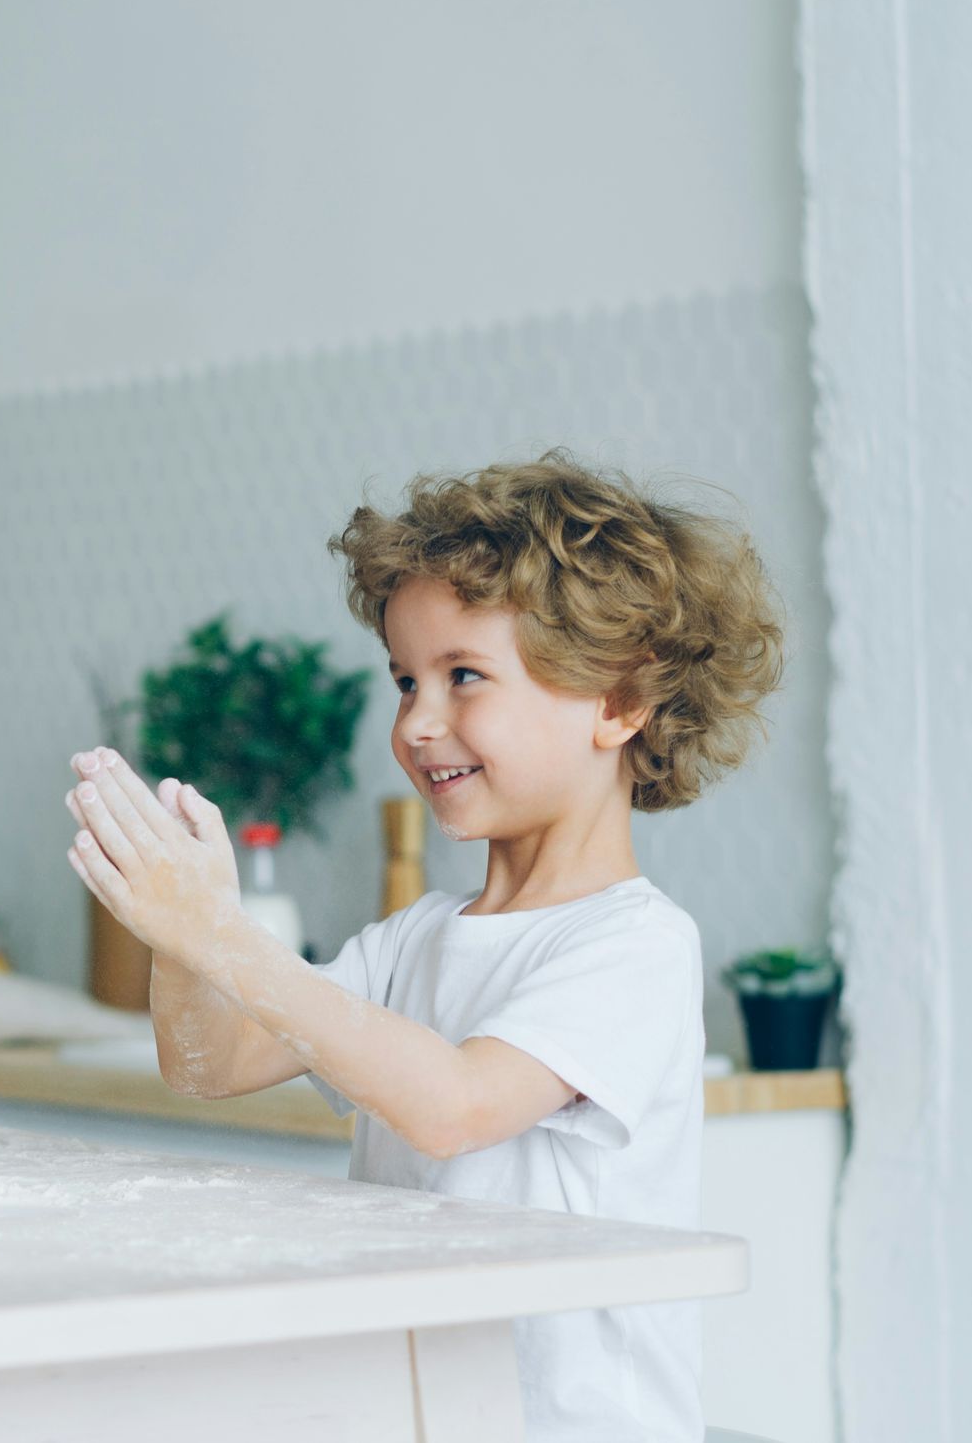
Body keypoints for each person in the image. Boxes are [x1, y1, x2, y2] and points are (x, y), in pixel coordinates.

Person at [62, 453, 783, 1443]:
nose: (416, 721)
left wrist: (222, 934)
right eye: (405, 678)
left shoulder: (634, 944)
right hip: (416, 1411)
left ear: (619, 701)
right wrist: (182, 937)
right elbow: (208, 1063)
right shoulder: (416, 938)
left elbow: (455, 1106)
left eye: (464, 676)